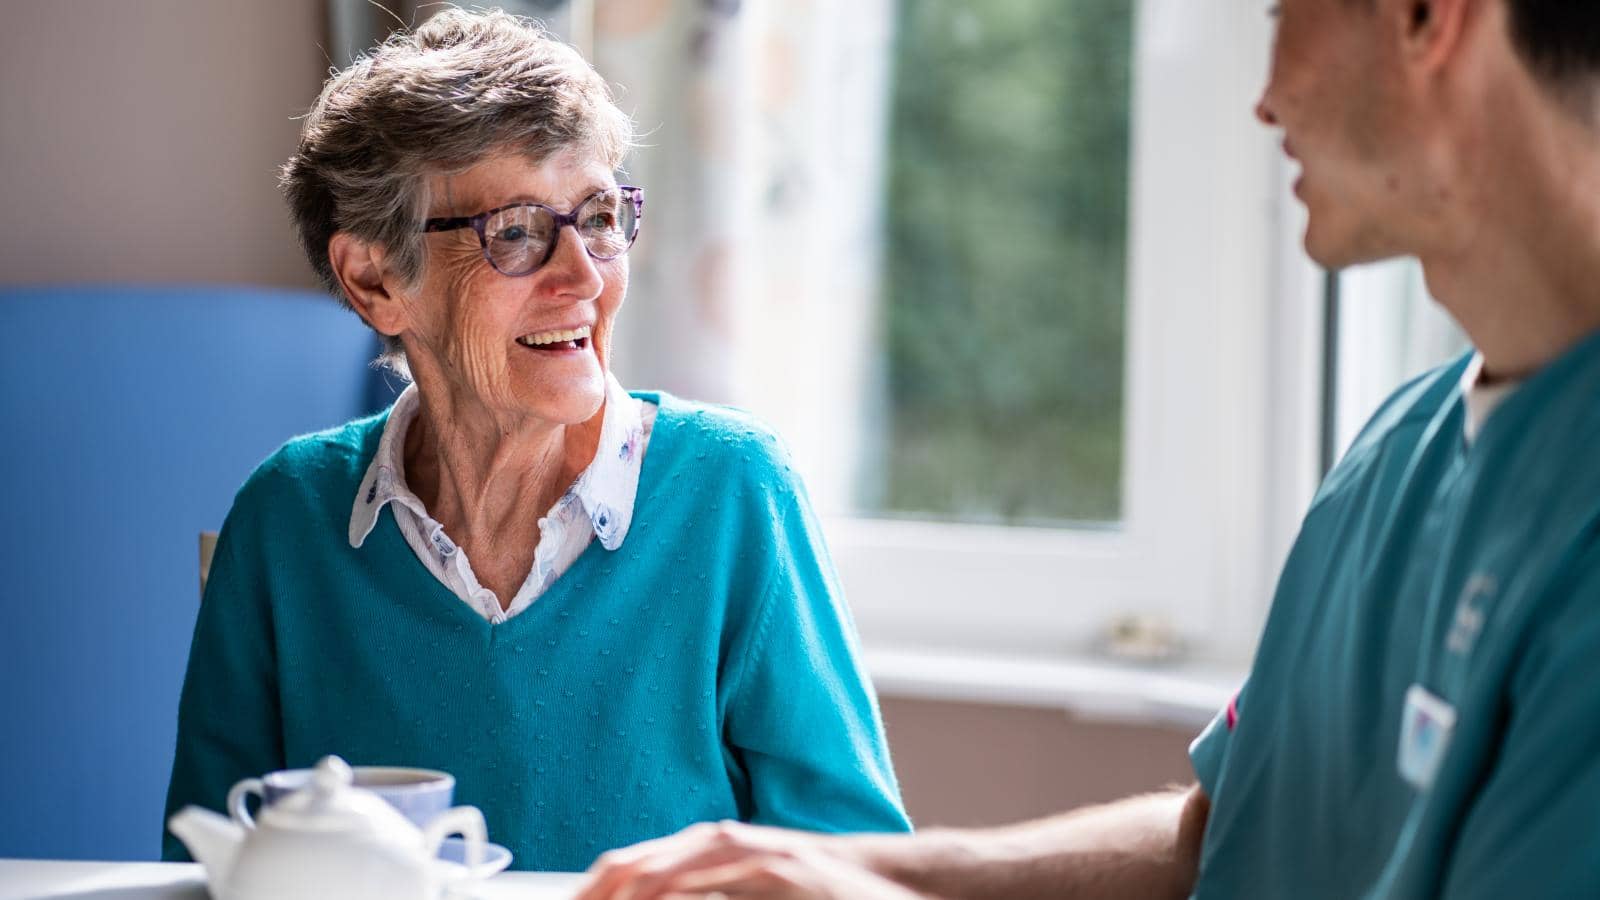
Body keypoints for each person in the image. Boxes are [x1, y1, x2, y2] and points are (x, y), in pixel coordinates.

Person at [577, 0, 1600, 895]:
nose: (1263, 99)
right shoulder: (1396, 453)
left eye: (1284, 14)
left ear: (1427, 16)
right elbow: (1219, 839)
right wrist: (865, 867)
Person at [161, 9, 909, 873]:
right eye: (515, 232)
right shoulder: (288, 515)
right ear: (375, 279)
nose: (584, 275)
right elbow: (207, 868)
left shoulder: (732, 491)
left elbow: (851, 867)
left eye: (597, 216)